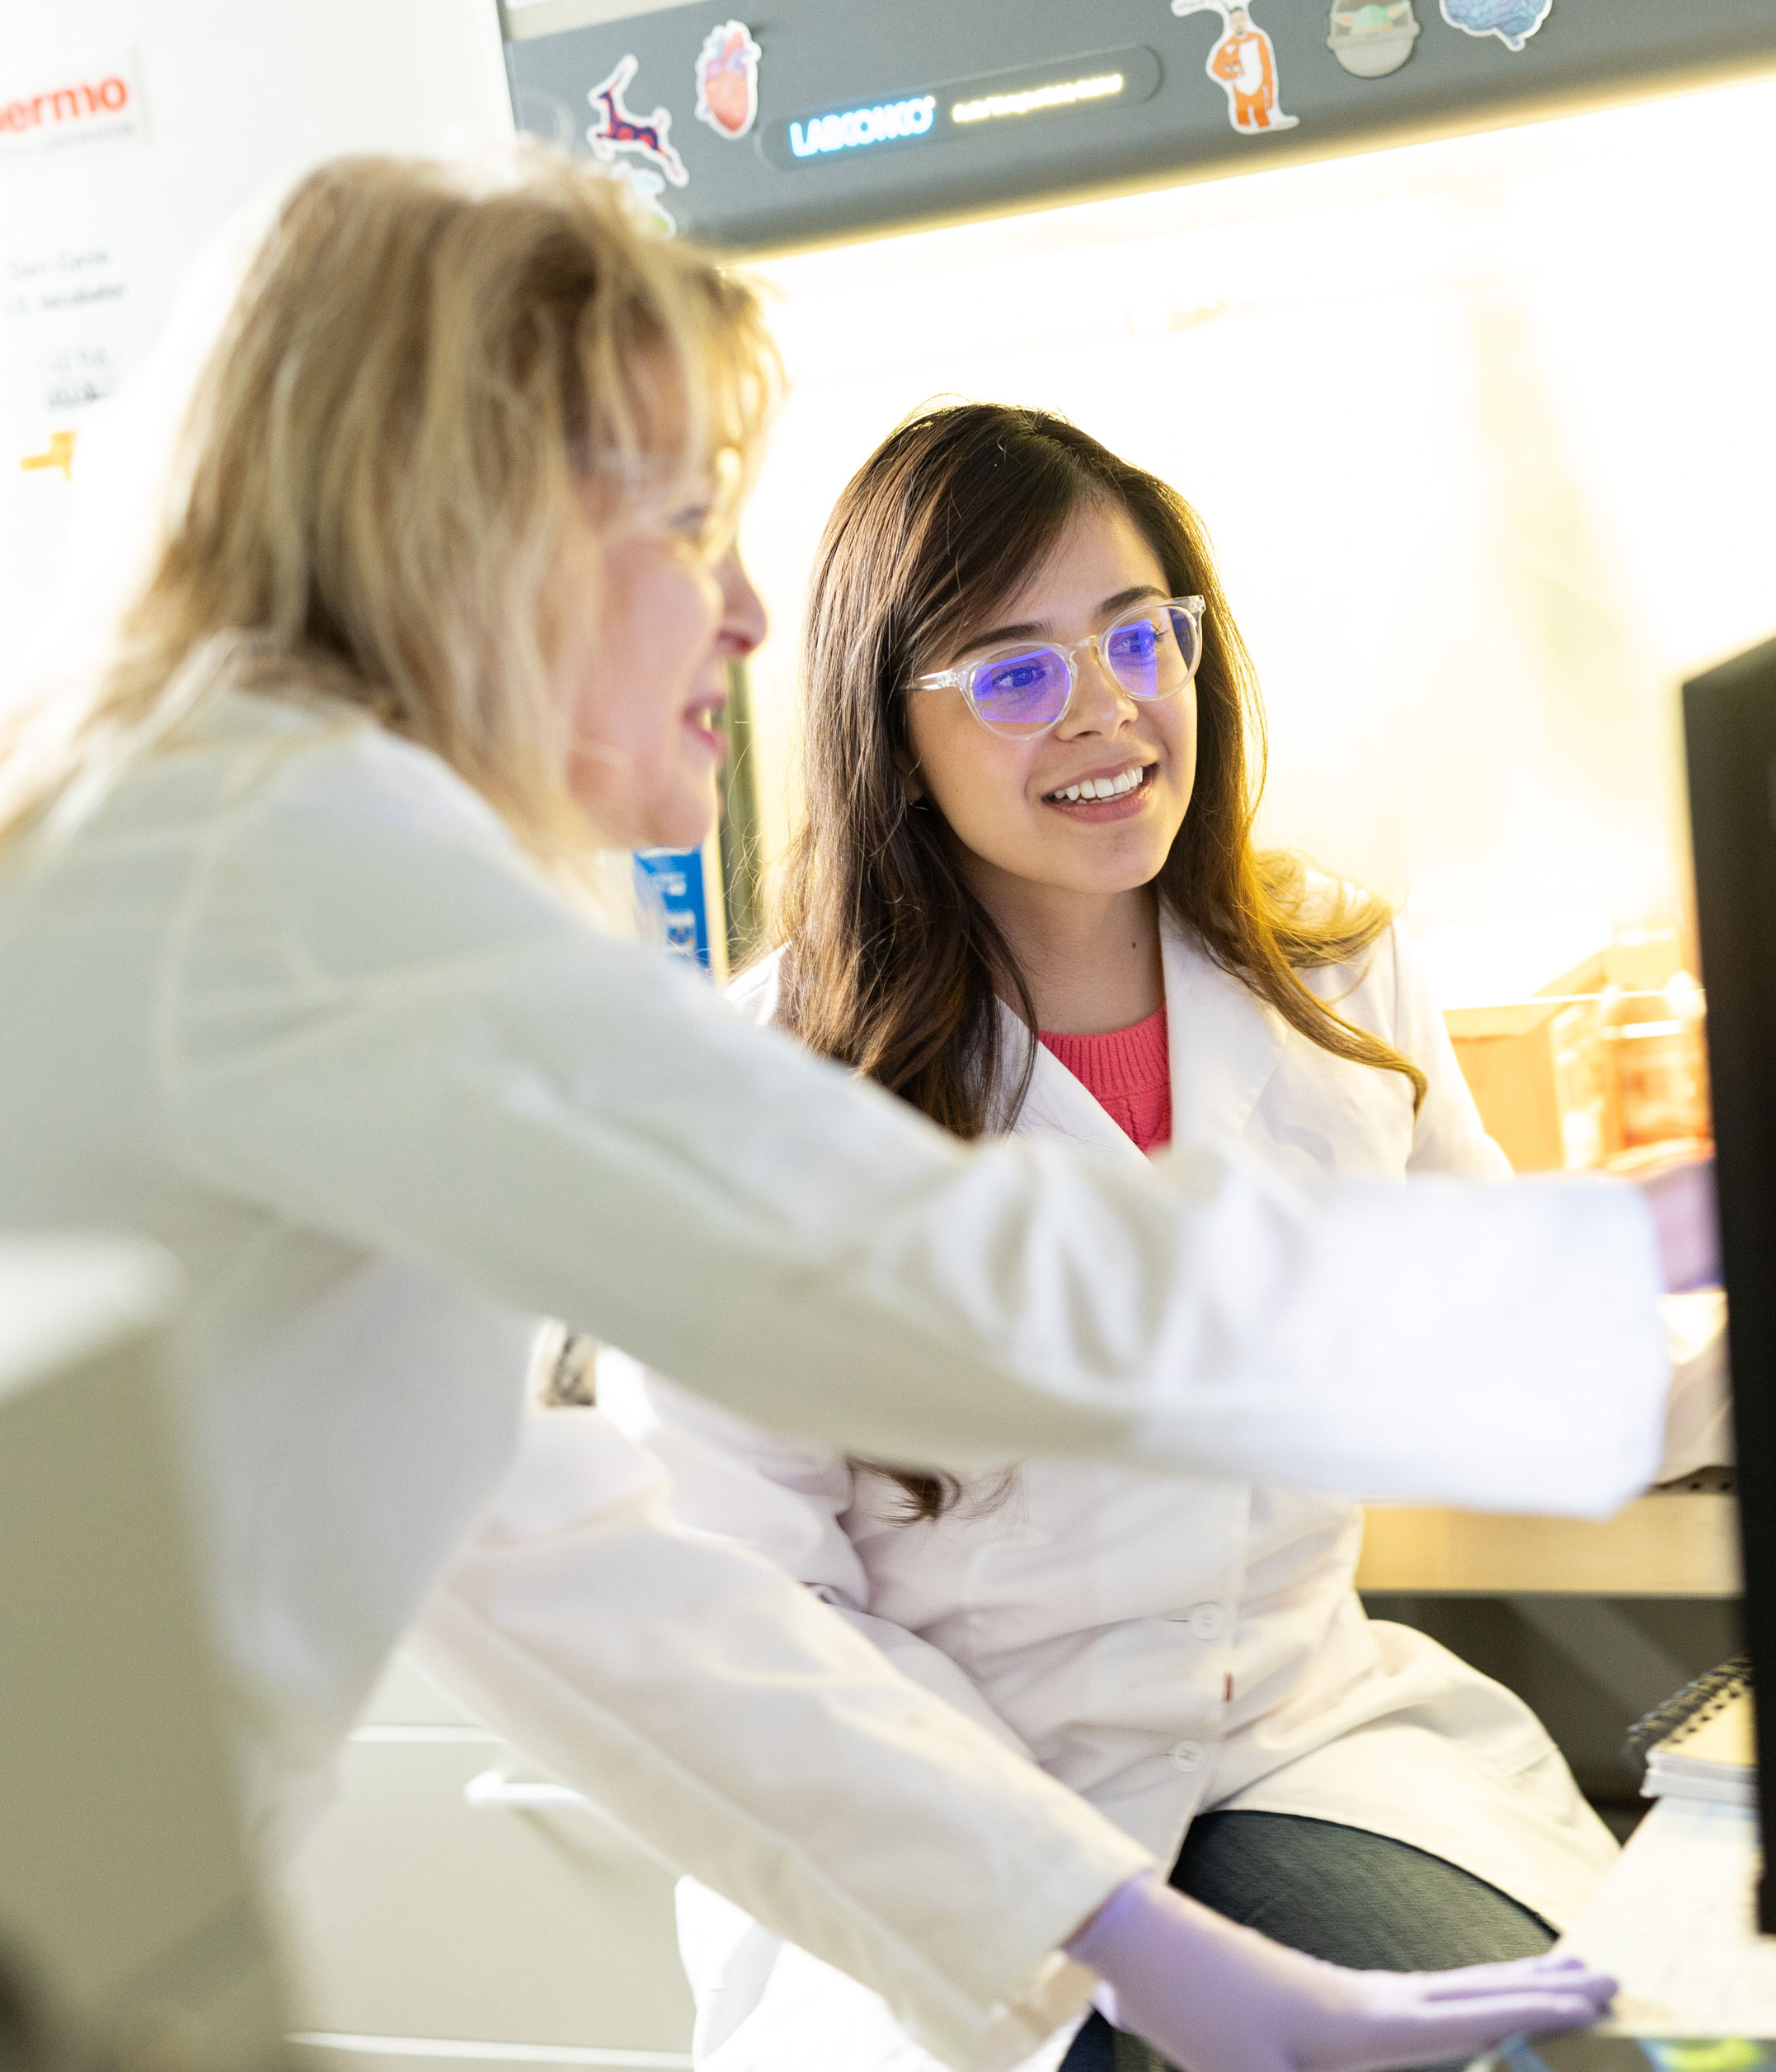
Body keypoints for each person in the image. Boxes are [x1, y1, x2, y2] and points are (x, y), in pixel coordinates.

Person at [0, 153, 1678, 2071]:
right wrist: (1673, 1231)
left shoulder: (218, 845)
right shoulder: (289, 867)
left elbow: (568, 1576)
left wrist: (1127, 1934)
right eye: (683, 524)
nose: (752, 617)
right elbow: (913, 1279)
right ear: (467, 531)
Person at [424, 405, 1643, 2072]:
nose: (1107, 705)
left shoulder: (1330, 979)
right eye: (1011, 673)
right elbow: (746, 1597)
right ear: (889, 735)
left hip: (1291, 1743)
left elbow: (1498, 1348)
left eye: (1140, 635)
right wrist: (1098, 1921)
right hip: (952, 1813)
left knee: (1559, 2055)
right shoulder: (760, 1095)